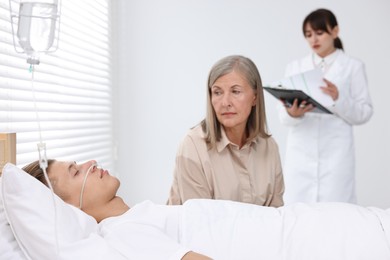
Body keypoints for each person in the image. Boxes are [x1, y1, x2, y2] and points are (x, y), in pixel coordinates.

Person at [22, 159, 390, 260]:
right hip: (329, 245)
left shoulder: (136, 218)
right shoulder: (122, 234)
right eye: (76, 172)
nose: (89, 163)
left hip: (325, 229)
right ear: (66, 208)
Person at [279, 9, 373, 204]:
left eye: (319, 33)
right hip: (300, 152)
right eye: (308, 35)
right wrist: (292, 113)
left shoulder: (353, 66)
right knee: (297, 212)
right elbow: (283, 116)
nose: (314, 39)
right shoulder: (295, 67)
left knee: (336, 214)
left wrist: (339, 98)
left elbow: (364, 112)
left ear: (335, 31)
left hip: (336, 153)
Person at [167, 55, 284, 207]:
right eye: (217, 92)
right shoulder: (193, 145)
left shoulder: (269, 146)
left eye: (235, 91)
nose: (225, 102)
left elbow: (276, 216)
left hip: (256, 231)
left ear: (255, 97)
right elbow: (199, 221)